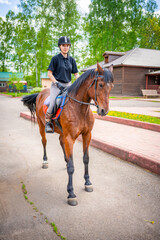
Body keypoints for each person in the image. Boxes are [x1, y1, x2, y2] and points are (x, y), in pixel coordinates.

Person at [45, 36, 79, 133]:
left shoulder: (72, 60)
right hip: (57, 85)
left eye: (67, 45)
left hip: (68, 85)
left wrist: (79, 82)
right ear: (59, 46)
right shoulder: (55, 59)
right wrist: (56, 83)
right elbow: (49, 74)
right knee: (52, 103)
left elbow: (76, 74)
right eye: (63, 45)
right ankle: (48, 122)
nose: (65, 47)